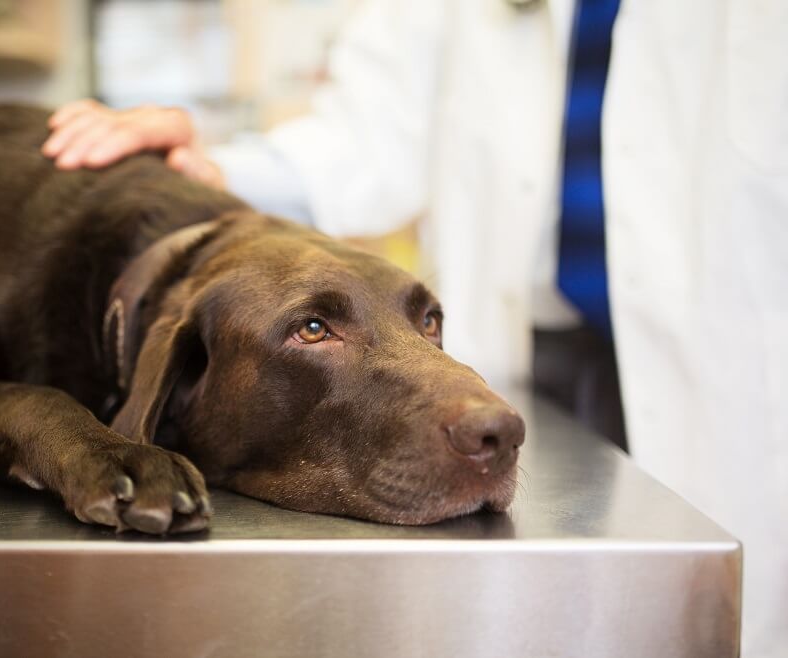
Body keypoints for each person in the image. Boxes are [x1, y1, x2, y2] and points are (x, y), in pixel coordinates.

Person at [43, 1, 787, 654]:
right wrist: (197, 162)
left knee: (719, 622)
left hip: (743, 371)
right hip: (525, 364)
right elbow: (363, 142)